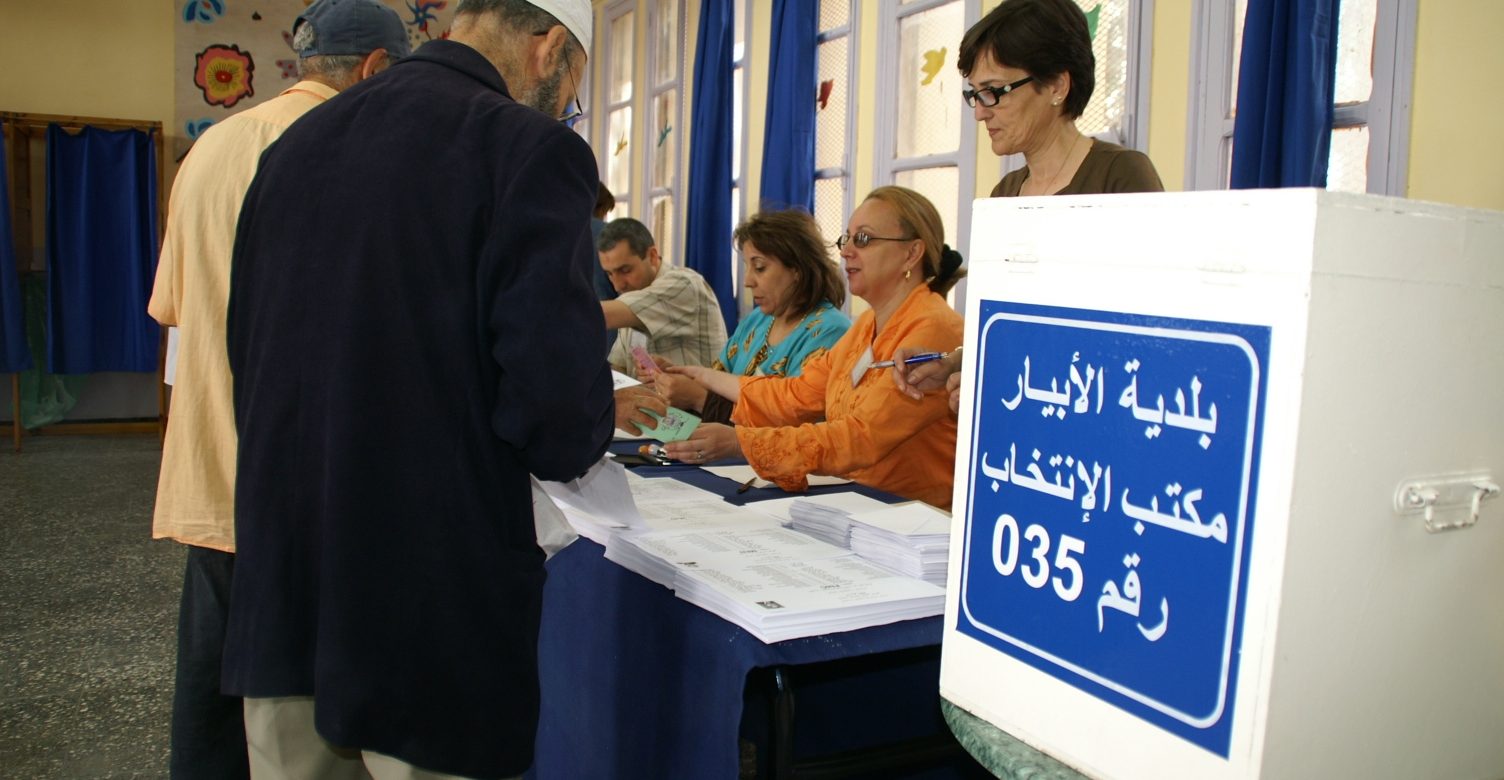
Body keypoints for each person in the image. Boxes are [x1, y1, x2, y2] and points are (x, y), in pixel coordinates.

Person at [223, 0, 613, 777]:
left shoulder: (297, 143)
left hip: (287, 573)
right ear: (549, 49)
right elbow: (557, 413)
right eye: (573, 91)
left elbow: (249, 347)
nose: (565, 108)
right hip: (429, 601)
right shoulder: (525, 149)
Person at [145, 1, 408, 776]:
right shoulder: (351, 150)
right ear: (375, 70)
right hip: (302, 478)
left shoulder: (209, 148)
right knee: (303, 705)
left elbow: (174, 310)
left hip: (208, 465)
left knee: (210, 685)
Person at [894, 0, 1165, 411]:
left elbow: (1141, 333)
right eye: (974, 95)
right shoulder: (1005, 193)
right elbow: (1012, 331)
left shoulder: (1122, 178)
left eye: (994, 92)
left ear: (1056, 85)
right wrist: (954, 364)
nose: (981, 113)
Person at [664, 187, 965, 510]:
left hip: (912, 519)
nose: (846, 251)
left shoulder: (933, 328)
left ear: (911, 253)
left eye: (862, 239)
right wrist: (699, 375)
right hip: (857, 504)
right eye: (846, 239)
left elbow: (861, 436)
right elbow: (797, 395)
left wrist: (742, 443)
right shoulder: (866, 326)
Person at [658, 209, 850, 424]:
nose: (747, 281)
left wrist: (698, 398)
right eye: (747, 267)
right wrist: (681, 379)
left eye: (760, 268)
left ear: (798, 269)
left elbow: (795, 420)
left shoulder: (830, 331)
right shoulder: (758, 320)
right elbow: (718, 380)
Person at [599, 217, 728, 379]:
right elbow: (618, 369)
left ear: (652, 256)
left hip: (696, 404)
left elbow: (602, 315)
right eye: (610, 274)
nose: (617, 285)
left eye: (625, 270)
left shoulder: (684, 284)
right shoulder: (632, 298)